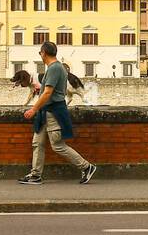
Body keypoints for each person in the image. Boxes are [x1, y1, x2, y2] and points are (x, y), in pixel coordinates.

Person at [16, 43, 98, 185]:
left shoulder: (54, 68)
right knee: (37, 143)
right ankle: (36, 175)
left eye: (40, 53)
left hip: (53, 112)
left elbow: (48, 92)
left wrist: (33, 109)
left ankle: (86, 166)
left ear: (43, 53)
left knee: (57, 145)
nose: (40, 55)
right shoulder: (55, 68)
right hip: (46, 112)